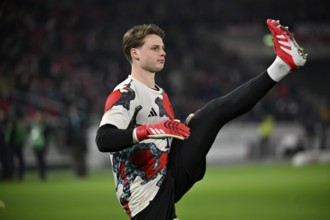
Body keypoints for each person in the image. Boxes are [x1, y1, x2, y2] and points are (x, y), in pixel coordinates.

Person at [95, 19, 307, 219]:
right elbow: (103, 139)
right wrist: (150, 130)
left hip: (167, 175)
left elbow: (161, 138)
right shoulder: (125, 93)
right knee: (212, 113)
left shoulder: (159, 94)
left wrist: (186, 128)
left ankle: (282, 65)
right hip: (143, 197)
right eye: (155, 48)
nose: (163, 53)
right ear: (135, 53)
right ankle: (281, 65)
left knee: (213, 113)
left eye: (163, 47)